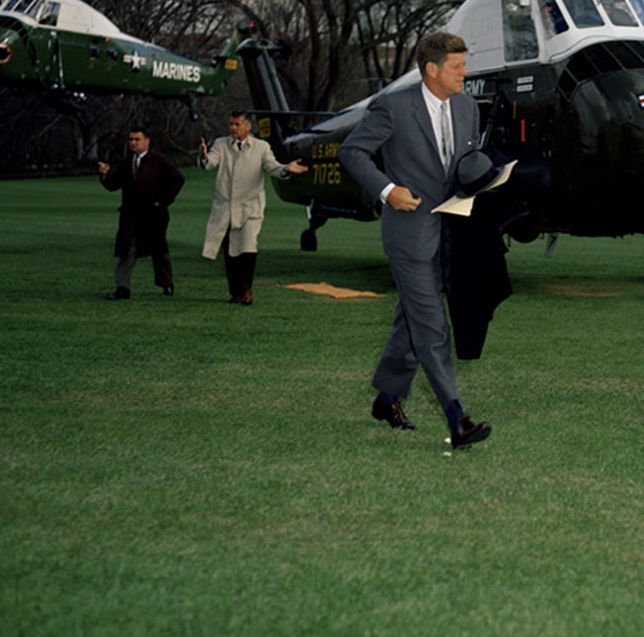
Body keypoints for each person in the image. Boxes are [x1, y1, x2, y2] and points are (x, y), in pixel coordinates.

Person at [338, 31, 492, 450]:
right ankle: (458, 419)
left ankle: (387, 400)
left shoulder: (468, 108)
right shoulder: (394, 106)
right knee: (431, 326)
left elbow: (461, 167)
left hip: (452, 232)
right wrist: (389, 191)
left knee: (411, 322)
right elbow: (352, 152)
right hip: (409, 237)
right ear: (432, 69)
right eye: (457, 66)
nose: (465, 73)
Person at [199, 110, 308, 305]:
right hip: (226, 208)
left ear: (248, 127)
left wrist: (286, 168)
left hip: (250, 208)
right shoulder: (221, 144)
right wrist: (204, 156)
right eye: (231, 124)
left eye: (237, 124)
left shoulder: (261, 147)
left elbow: (272, 166)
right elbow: (209, 163)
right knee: (231, 252)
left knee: (248, 247)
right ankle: (236, 292)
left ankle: (247, 290)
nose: (233, 128)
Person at [98, 125, 184, 300]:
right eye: (130, 139)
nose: (133, 143)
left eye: (137, 139)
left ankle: (166, 284)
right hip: (130, 215)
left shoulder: (159, 161)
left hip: (154, 215)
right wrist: (105, 175)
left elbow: (178, 179)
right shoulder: (126, 162)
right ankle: (122, 288)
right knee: (126, 249)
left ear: (147, 141)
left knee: (159, 250)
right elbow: (113, 185)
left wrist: (162, 200)